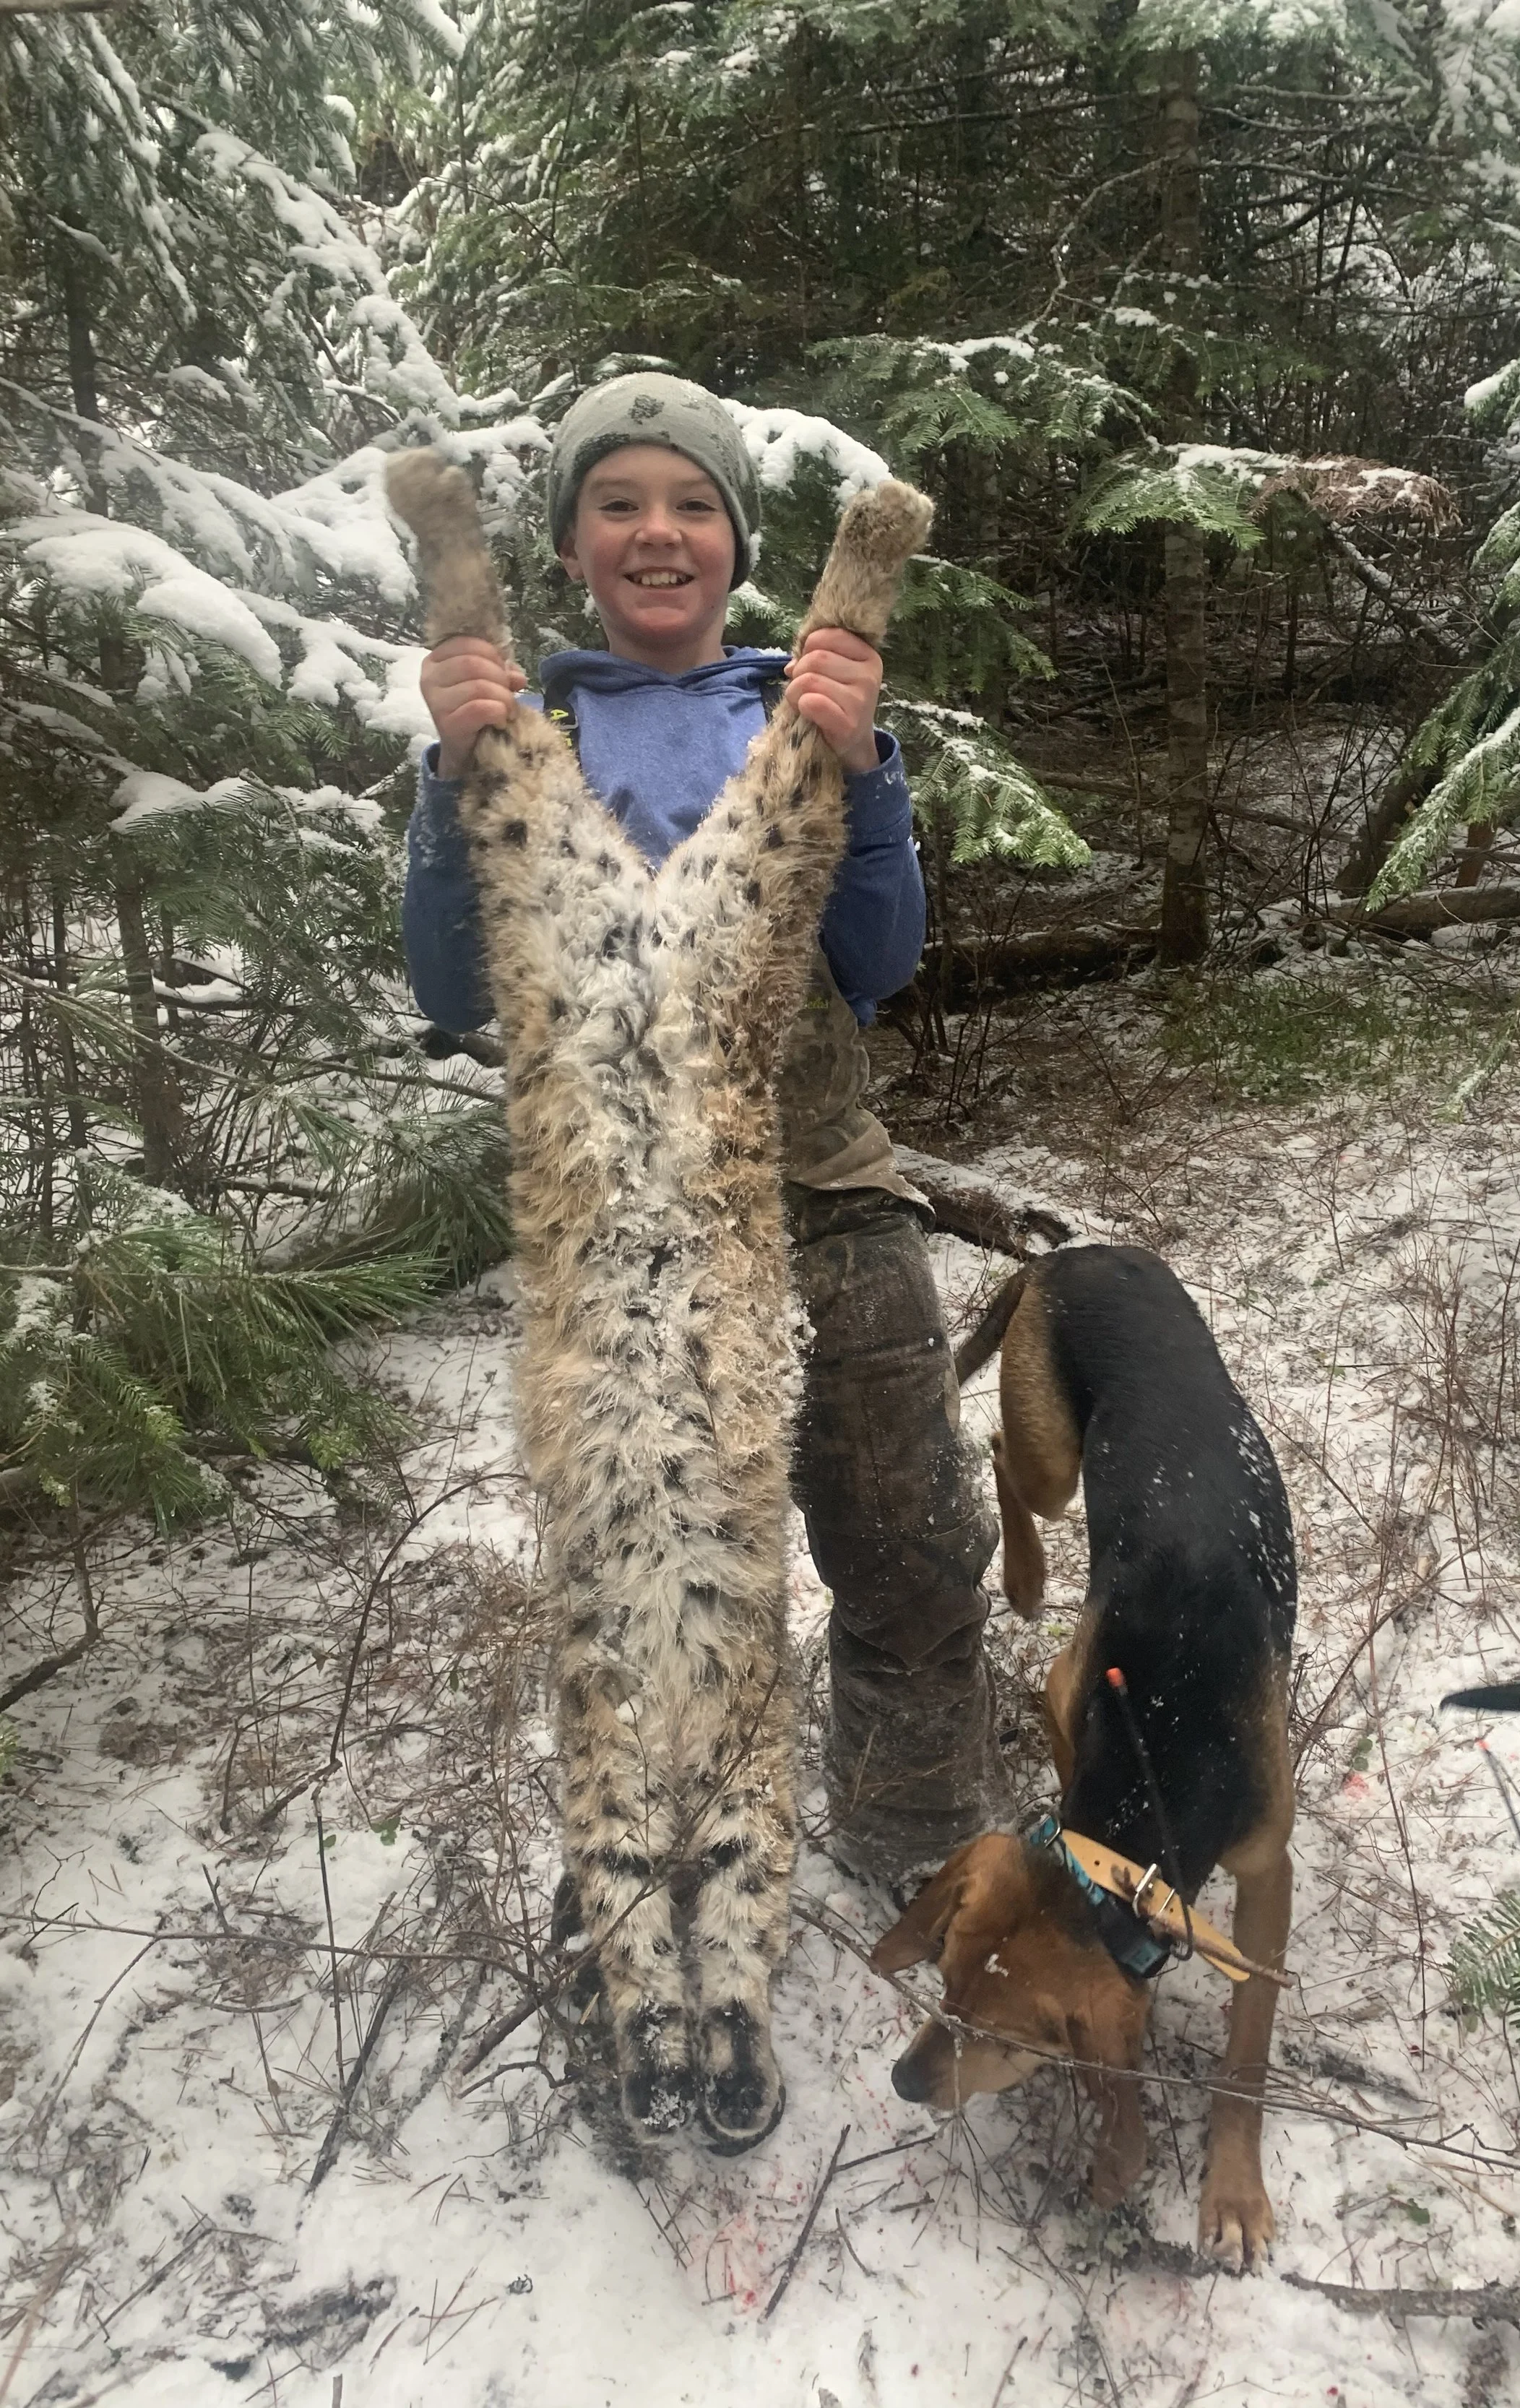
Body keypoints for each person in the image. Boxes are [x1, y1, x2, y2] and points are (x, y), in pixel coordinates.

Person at [402, 371, 1001, 1893]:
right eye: (618, 502)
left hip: (827, 1198)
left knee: (910, 1545)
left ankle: (918, 1851)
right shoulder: (522, 725)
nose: (656, 532)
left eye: (690, 503)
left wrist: (862, 776)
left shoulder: (799, 703)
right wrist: (446, 780)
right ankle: (663, 1881)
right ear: (571, 545)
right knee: (650, 1585)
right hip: (626, 1239)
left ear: (736, 542)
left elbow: (875, 962)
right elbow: (449, 984)